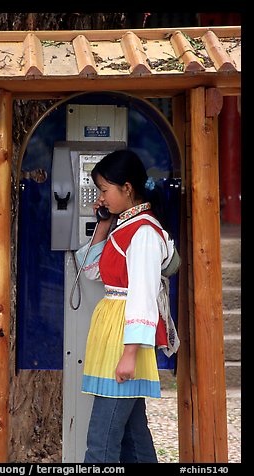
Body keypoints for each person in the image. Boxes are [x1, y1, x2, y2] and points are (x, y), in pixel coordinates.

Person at [75, 149, 179, 463]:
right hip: (114, 335)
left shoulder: (145, 232)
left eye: (105, 190)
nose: (101, 197)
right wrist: (103, 224)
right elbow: (91, 269)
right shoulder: (124, 227)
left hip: (123, 340)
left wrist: (130, 354)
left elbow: (143, 296)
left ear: (127, 188)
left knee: (101, 442)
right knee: (134, 440)